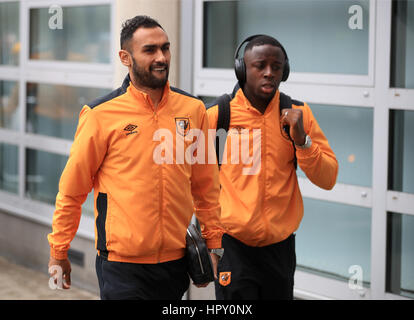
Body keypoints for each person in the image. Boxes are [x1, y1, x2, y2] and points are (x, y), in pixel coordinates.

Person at [47, 15, 224, 300]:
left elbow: (206, 187)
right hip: (121, 266)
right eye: (150, 50)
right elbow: (72, 190)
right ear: (125, 57)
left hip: (175, 265)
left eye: (165, 48)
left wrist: (214, 244)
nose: (162, 57)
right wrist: (59, 251)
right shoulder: (100, 115)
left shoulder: (193, 110)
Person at [206, 34, 338, 300]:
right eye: (260, 65)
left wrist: (302, 141)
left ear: (284, 71)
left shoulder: (299, 113)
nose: (269, 73)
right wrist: (212, 243)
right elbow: (196, 184)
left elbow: (328, 178)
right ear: (242, 69)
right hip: (233, 248)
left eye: (276, 67)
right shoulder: (218, 115)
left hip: (280, 250)